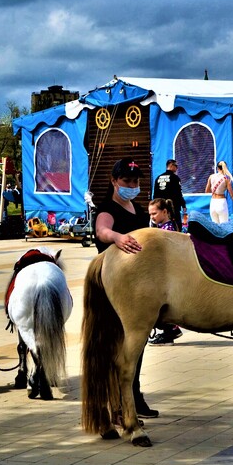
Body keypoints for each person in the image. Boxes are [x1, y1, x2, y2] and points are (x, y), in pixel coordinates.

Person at [94, 157, 158, 418]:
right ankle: (113, 402)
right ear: (114, 181)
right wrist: (117, 237)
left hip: (138, 289)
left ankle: (134, 395)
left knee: (136, 346)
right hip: (113, 288)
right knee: (116, 347)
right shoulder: (108, 208)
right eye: (126, 180)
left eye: (135, 181)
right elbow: (101, 231)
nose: (131, 185)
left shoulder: (140, 211)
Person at [147, 198, 184, 346]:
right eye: (150, 214)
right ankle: (170, 330)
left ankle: (170, 331)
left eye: (154, 213)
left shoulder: (167, 230)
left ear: (165, 212)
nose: (152, 217)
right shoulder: (163, 228)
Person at [152, 159, 186, 231]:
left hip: (160, 207)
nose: (177, 168)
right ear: (171, 165)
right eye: (176, 166)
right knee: (176, 227)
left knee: (160, 227)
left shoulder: (158, 178)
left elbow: (155, 194)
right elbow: (178, 193)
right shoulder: (175, 178)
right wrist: (183, 205)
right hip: (173, 207)